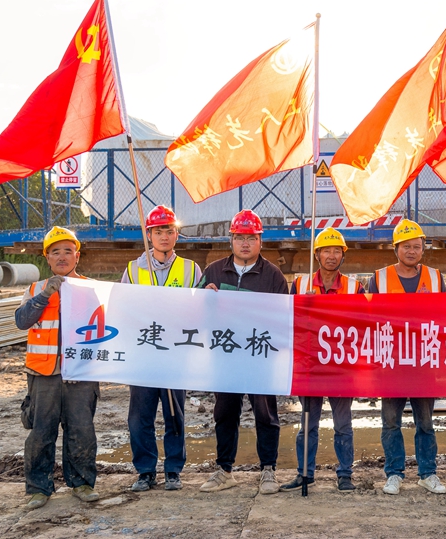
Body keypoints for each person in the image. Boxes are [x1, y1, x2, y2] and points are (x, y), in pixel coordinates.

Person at [198, 210, 289, 495]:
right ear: (231, 240)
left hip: (260, 356)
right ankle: (224, 470)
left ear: (260, 241)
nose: (245, 243)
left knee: (266, 414)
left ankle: (268, 470)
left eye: (251, 238)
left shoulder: (273, 276)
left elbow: (282, 318)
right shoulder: (214, 271)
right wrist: (204, 297)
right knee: (224, 412)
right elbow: (196, 312)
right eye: (240, 237)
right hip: (225, 356)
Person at [15, 227, 100, 509]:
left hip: (81, 373)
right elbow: (22, 321)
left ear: (77, 256)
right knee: (41, 432)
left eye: (67, 251)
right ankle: (39, 489)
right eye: (55, 252)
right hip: (44, 374)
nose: (62, 257)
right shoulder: (35, 289)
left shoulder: (92, 288)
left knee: (81, 430)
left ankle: (82, 483)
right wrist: (45, 295)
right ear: (47, 258)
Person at [120, 205, 202, 493]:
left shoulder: (190, 269)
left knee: (174, 415)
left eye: (169, 231)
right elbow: (122, 309)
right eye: (158, 232)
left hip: (175, 356)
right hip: (143, 355)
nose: (164, 236)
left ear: (176, 234)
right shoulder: (133, 270)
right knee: (140, 417)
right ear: (149, 235)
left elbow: (200, 310)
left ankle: (173, 470)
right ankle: (145, 471)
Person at [366, 219, 446, 496]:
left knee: (426, 422)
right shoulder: (379, 278)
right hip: (392, 363)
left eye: (416, 246)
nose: (412, 251)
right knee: (391, 422)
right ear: (395, 248)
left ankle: (428, 473)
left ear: (423, 248)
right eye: (406, 247)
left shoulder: (435, 278)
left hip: (424, 362)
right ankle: (394, 473)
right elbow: (367, 320)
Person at [281, 227, 362, 494]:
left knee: (343, 424)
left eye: (336, 251)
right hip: (309, 366)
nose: (331, 256)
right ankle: (305, 473)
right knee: (308, 423)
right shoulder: (300, 285)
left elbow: (364, 322)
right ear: (317, 255)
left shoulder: (354, 287)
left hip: (341, 367)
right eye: (326, 250)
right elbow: (287, 320)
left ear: (343, 255)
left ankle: (345, 475)